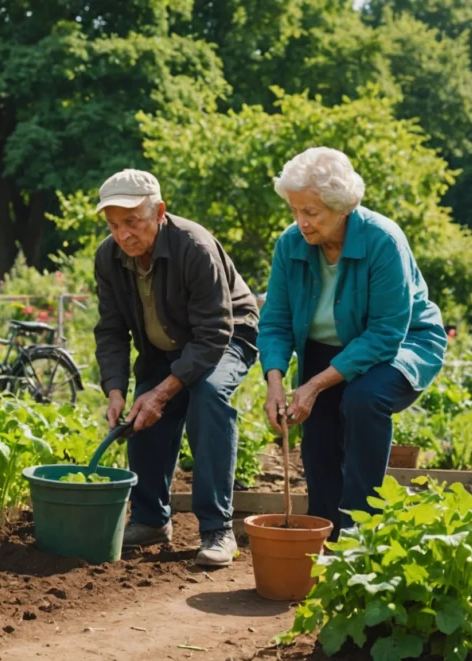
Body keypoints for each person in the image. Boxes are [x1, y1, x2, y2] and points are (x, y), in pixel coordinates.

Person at [258, 147, 446, 538]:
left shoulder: (382, 240)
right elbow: (274, 321)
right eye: (294, 210)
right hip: (327, 349)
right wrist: (276, 382)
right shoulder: (289, 244)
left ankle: (364, 529)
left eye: (311, 213)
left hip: (401, 344)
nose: (300, 222)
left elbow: (386, 332)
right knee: (318, 434)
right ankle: (324, 532)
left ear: (341, 206)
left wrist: (311, 384)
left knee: (362, 400)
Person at [93, 169, 259, 567]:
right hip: (163, 347)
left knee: (208, 397)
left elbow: (213, 332)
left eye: (132, 221)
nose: (123, 234)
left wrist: (163, 392)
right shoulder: (108, 257)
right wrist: (116, 391)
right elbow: (111, 330)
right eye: (114, 224)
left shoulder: (193, 247)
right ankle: (150, 519)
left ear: (160, 212)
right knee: (140, 414)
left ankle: (217, 529)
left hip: (225, 336)